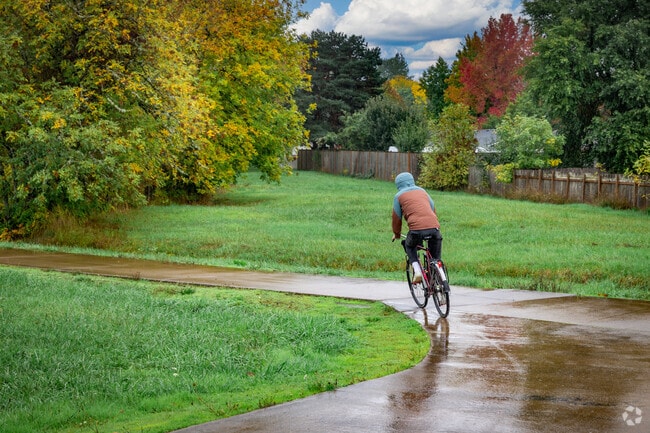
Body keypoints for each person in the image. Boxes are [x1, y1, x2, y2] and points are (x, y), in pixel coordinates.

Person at [391, 172, 443, 284]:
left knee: (409, 245)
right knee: (435, 258)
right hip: (434, 229)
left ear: (398, 184)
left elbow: (396, 219)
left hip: (416, 231)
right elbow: (432, 207)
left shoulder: (398, 196)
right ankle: (439, 279)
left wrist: (397, 234)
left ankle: (417, 269)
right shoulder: (422, 191)